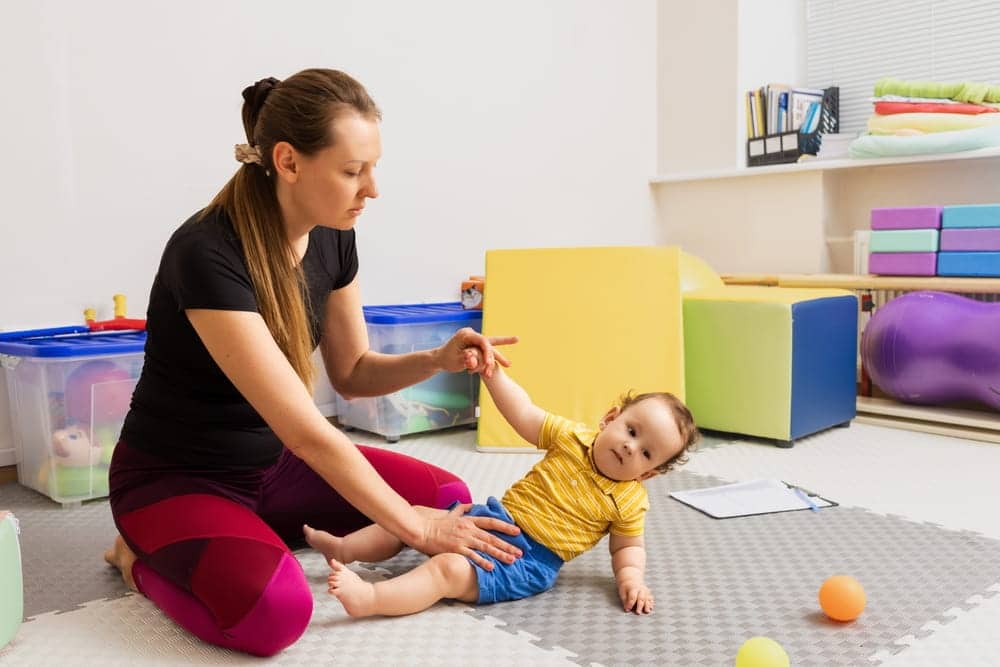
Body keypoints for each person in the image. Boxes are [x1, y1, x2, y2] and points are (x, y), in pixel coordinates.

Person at [101, 68, 523, 657]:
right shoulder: (206, 252)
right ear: (289, 161)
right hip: (178, 479)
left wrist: (435, 358)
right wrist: (416, 528)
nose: (371, 189)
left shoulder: (332, 234)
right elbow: (306, 432)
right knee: (276, 613)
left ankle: (244, 538)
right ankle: (138, 560)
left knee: (447, 493)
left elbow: (352, 375)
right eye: (353, 171)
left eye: (373, 168)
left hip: (273, 470)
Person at [304, 361, 700, 618]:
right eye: (631, 430)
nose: (630, 446)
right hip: (491, 519)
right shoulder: (570, 437)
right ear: (610, 418)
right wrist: (493, 376)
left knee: (446, 571)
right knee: (413, 515)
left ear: (648, 473)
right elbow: (524, 413)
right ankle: (345, 549)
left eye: (646, 452)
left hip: (526, 560)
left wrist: (631, 579)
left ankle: (371, 600)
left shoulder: (630, 501)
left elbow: (627, 548)